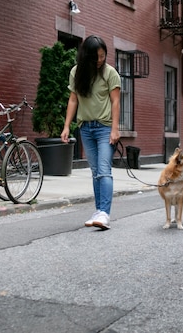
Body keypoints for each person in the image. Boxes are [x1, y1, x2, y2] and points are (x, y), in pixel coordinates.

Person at [61, 35, 121, 230]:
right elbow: (73, 100)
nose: (100, 60)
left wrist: (115, 129)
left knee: (104, 171)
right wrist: (66, 126)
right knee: (95, 172)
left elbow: (115, 101)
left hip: (105, 128)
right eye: (96, 57)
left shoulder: (110, 73)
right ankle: (99, 211)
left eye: (103, 56)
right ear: (87, 57)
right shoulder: (76, 73)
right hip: (85, 128)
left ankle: (104, 213)